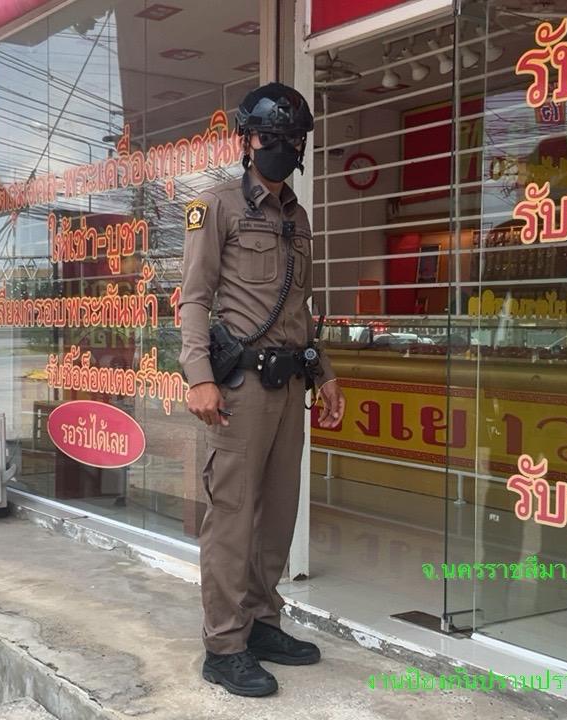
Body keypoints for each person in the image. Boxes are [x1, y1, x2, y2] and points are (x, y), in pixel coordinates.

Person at [177, 81, 346, 697]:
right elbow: (194, 299)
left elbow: (301, 310)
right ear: (246, 140)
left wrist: (324, 373)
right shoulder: (216, 206)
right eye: (270, 136)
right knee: (231, 518)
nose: (280, 147)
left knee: (277, 516)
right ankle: (224, 646)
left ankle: (262, 623)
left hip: (291, 384)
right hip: (240, 389)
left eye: (291, 138)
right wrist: (199, 375)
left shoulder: (298, 219)